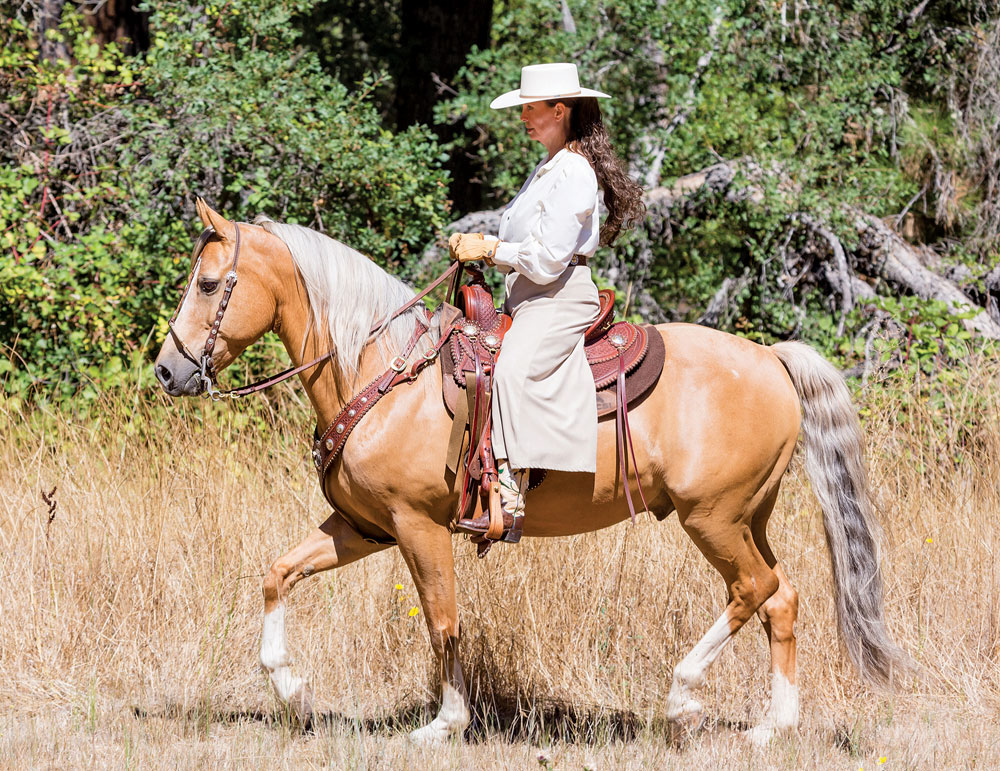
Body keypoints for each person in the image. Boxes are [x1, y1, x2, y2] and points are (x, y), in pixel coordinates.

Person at [450, 62, 645, 534]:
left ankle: (511, 492)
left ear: (560, 110)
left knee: (514, 367)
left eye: (530, 107)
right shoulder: (548, 168)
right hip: (528, 298)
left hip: (558, 298)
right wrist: (483, 249)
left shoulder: (574, 171)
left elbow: (548, 259)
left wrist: (493, 249)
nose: (523, 116)